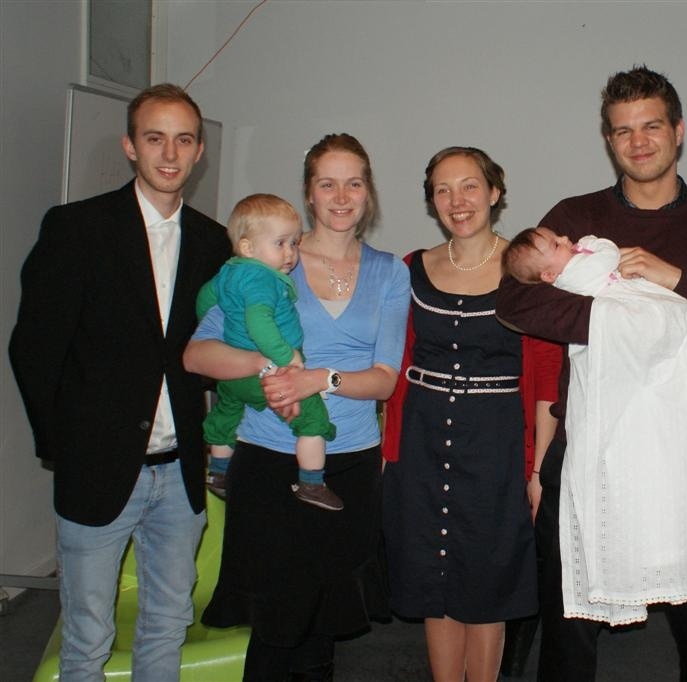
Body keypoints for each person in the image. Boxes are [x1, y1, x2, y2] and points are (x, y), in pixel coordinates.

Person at [496, 65, 687, 682]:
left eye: (651, 126)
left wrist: (676, 282)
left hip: (683, 461)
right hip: (589, 450)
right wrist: (627, 322)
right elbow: (513, 302)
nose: (638, 141)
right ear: (609, 140)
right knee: (569, 634)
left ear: (679, 131)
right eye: (623, 130)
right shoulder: (574, 216)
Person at [8, 83, 231, 680]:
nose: (170, 153)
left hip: (179, 475)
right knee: (87, 637)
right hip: (98, 467)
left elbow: (211, 350)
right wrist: (65, 445)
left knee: (168, 624)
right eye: (155, 138)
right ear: (130, 146)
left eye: (183, 140)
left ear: (199, 151)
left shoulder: (213, 241)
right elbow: (34, 349)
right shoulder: (77, 228)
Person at [184, 133, 409, 681]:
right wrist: (265, 365)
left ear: (368, 191)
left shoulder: (389, 271)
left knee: (321, 625)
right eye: (327, 184)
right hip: (269, 460)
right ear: (308, 193)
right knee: (275, 623)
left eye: (353, 183)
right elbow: (197, 355)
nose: (341, 197)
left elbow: (384, 381)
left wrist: (317, 379)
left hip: (349, 463)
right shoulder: (266, 260)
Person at [503, 227, 687, 625]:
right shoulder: (575, 274)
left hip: (643, 308)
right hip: (624, 327)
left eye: (559, 237)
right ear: (549, 276)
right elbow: (604, 260)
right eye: (555, 245)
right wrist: (600, 264)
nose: (566, 240)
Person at [380, 147, 561, 682]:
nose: (456, 201)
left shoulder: (526, 270)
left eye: (469, 186)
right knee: (434, 582)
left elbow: (547, 380)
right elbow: (398, 364)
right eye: (443, 189)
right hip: (421, 442)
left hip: (497, 447)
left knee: (488, 586)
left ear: (494, 192)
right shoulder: (411, 268)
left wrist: (538, 471)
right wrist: (389, 453)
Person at [198, 193, 341, 510]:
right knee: (312, 416)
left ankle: (218, 472)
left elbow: (204, 300)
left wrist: (223, 335)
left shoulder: (228, 271)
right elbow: (258, 321)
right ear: (248, 247)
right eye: (280, 243)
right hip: (267, 371)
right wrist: (286, 355)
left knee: (227, 412)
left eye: (294, 243)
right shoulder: (263, 279)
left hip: (233, 373)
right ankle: (312, 482)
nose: (290, 253)